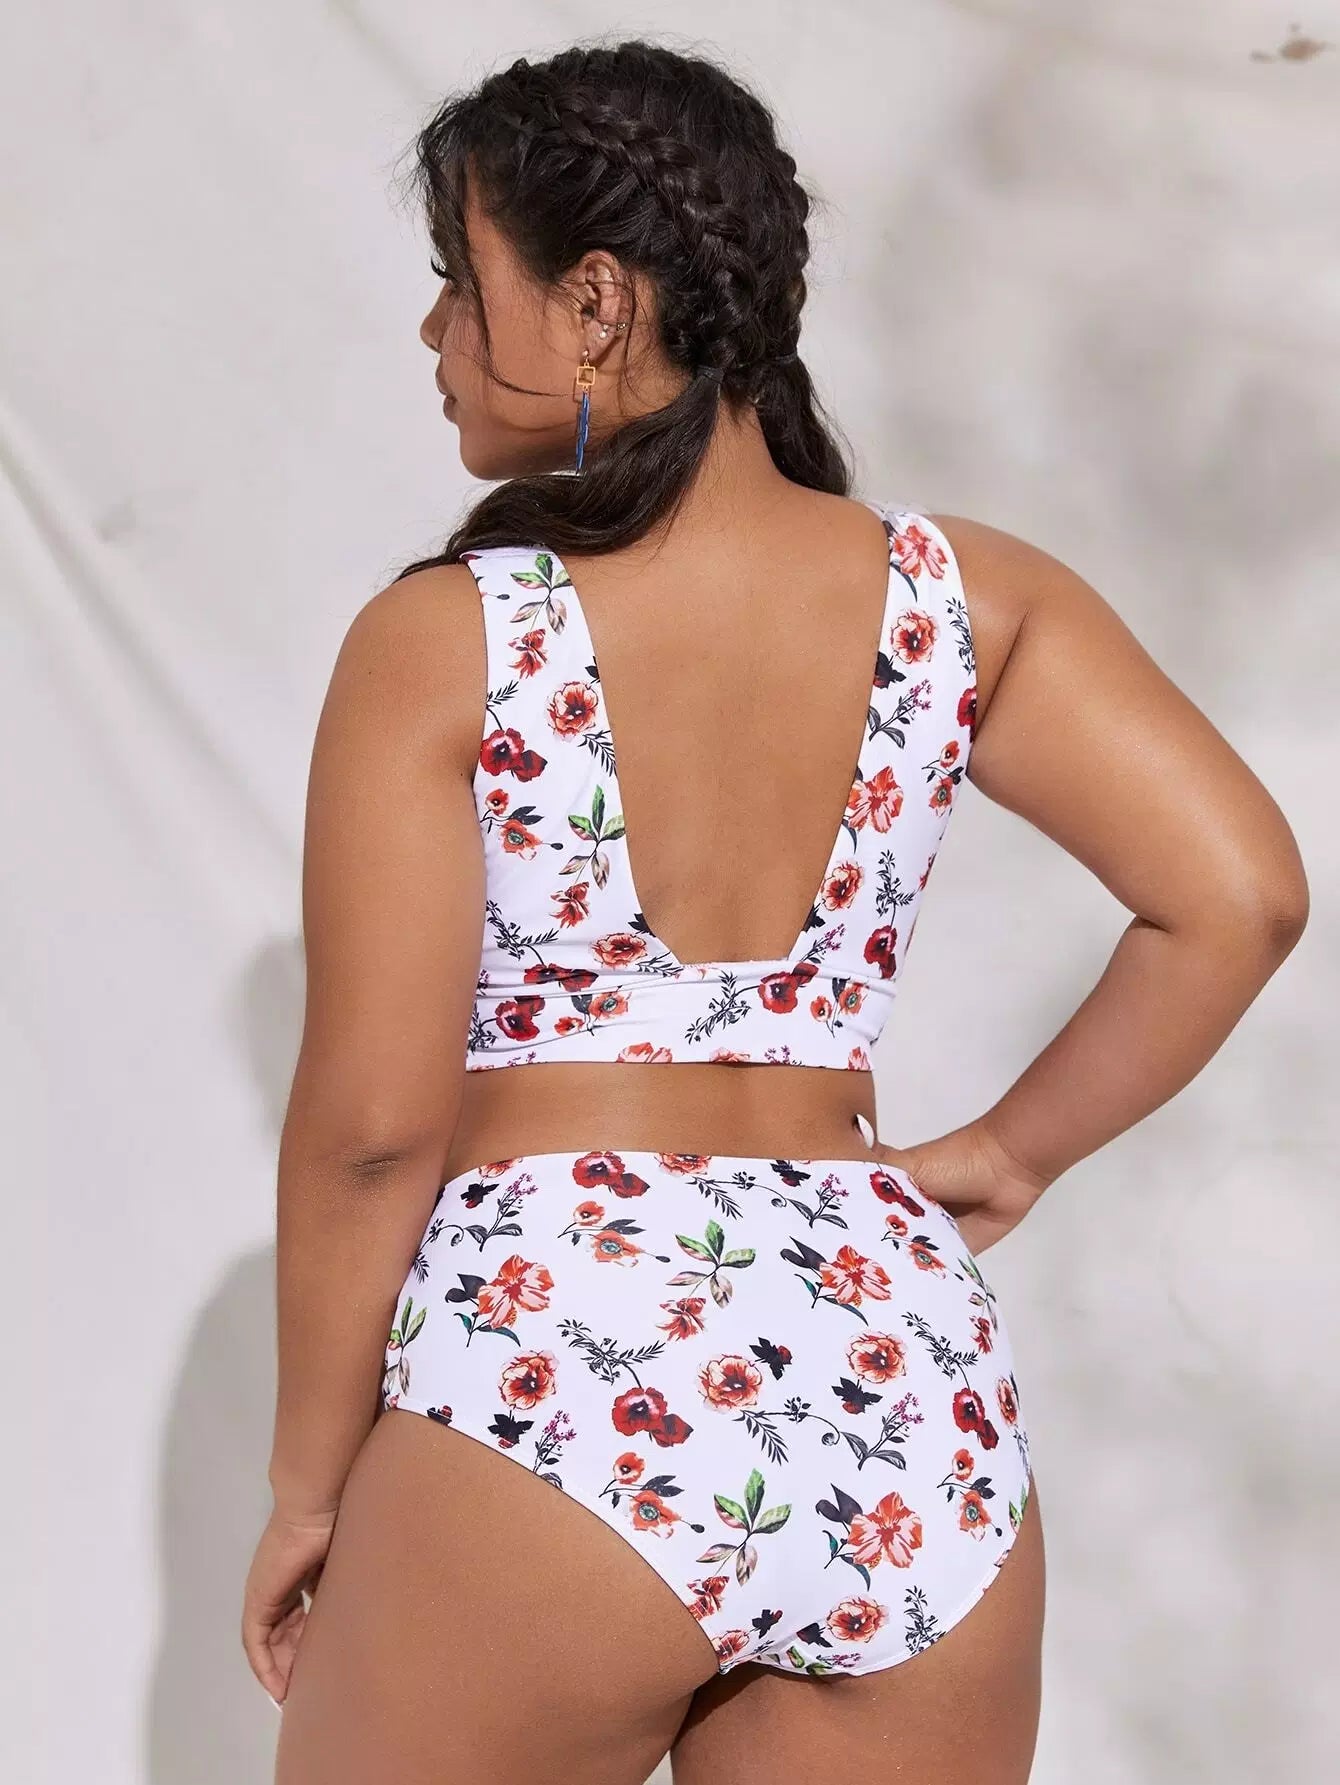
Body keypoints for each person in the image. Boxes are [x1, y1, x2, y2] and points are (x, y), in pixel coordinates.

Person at [241, 38, 1308, 1785]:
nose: (434, 331)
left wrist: (307, 1483)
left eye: (460, 278)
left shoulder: (450, 638)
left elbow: (372, 1133)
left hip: (565, 1372)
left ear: (597, 302)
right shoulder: (966, 600)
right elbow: (1242, 893)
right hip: (899, 1390)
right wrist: (1013, 1154)